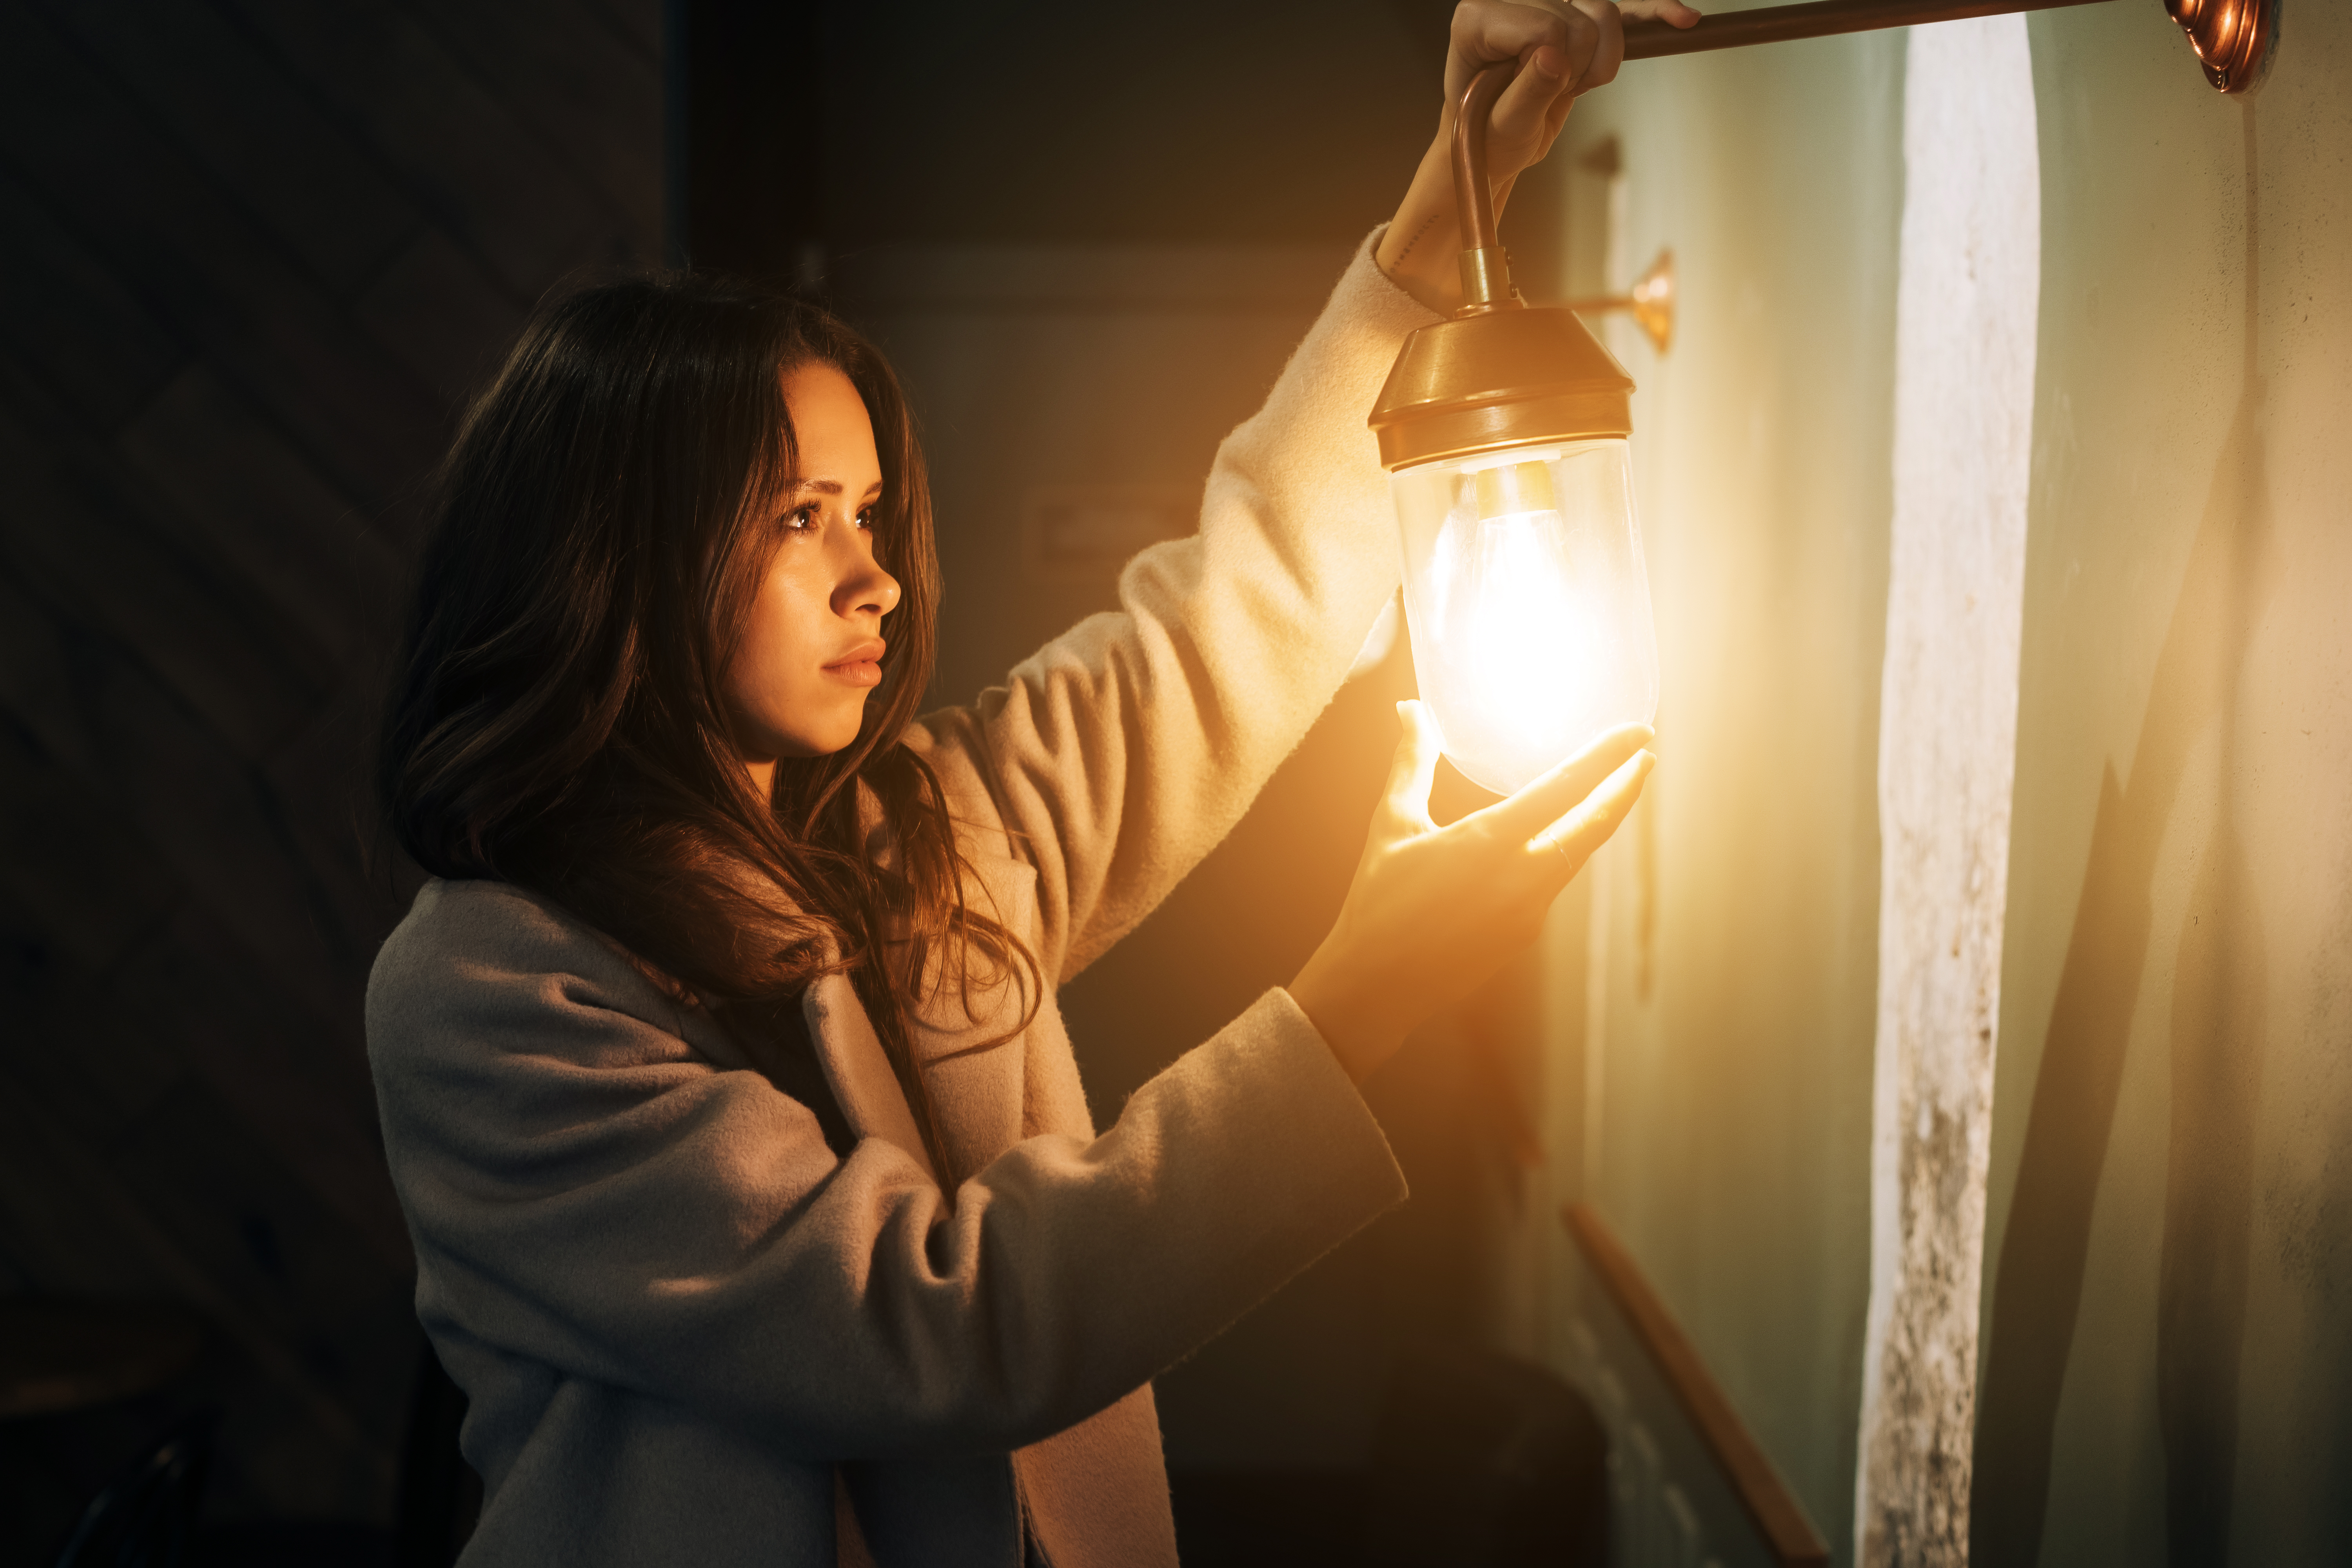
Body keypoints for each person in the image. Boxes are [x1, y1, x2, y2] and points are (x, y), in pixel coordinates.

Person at [368, 3, 1684, 1563]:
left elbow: (1230, 611)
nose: (875, 580)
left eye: (866, 510)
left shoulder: (920, 833)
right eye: (798, 518)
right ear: (618, 561)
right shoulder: (484, 997)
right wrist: (1351, 1006)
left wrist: (1448, 195)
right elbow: (929, 1325)